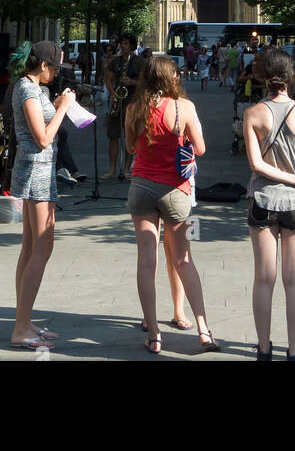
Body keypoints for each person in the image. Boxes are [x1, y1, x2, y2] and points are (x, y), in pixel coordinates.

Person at [125, 54, 219, 354]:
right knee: (183, 259)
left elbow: (130, 147)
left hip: (141, 187)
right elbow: (201, 148)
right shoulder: (184, 107)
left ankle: (153, 335)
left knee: (146, 261)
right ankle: (203, 330)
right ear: (171, 77)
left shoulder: (133, 109)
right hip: (176, 191)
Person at [244, 48, 295, 360]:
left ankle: (264, 348)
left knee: (264, 278)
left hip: (263, 200)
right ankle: (294, 351)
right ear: (291, 77)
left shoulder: (253, 113)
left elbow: (255, 165)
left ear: (262, 77)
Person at [5, 41, 75, 350]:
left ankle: (24, 319)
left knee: (31, 246)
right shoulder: (28, 90)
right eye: (57, 67)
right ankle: (21, 327)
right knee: (42, 248)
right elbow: (43, 138)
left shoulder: (36, 89)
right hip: (37, 172)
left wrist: (56, 103)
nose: (58, 72)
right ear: (44, 65)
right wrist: (62, 109)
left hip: (39, 171)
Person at [104, 34, 141, 180]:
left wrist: (132, 82)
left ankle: (126, 169)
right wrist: (112, 93)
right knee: (113, 136)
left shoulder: (140, 62)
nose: (122, 46)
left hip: (132, 101)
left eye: (125, 43)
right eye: (121, 43)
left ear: (131, 45)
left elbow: (145, 82)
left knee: (129, 137)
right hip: (117, 101)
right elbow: (108, 78)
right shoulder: (116, 61)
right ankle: (112, 169)